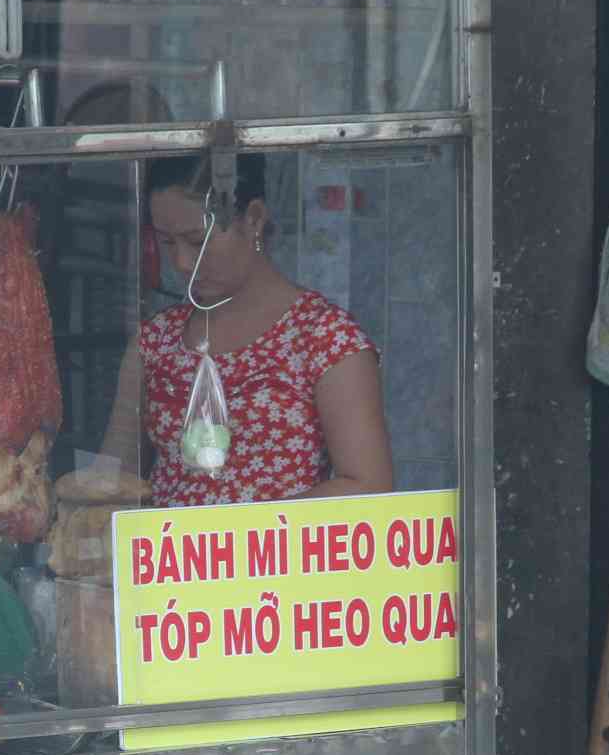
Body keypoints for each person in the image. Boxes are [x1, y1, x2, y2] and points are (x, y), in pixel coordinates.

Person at [92, 152, 391, 507]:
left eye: (198, 240)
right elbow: (113, 479)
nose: (183, 263)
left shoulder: (324, 338)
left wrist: (235, 535)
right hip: (172, 560)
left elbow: (368, 487)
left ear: (253, 218)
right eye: (168, 242)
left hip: (277, 558)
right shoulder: (155, 342)